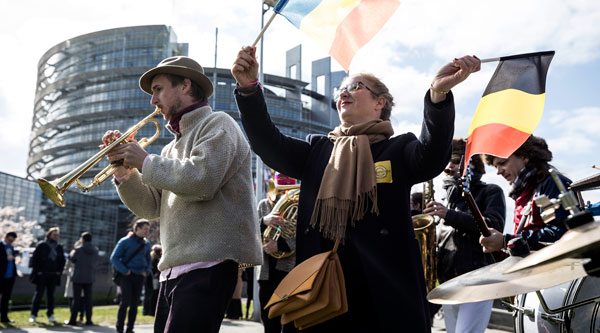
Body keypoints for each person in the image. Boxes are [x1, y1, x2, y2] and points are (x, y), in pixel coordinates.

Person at [232, 45, 480, 332]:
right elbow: (268, 144)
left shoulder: (398, 149)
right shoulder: (318, 149)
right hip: (321, 295)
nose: (343, 94)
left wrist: (437, 96)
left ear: (380, 103)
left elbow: (433, 155)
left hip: (384, 295)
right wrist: (249, 90)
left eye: (355, 86)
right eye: (341, 89)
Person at [102, 56, 262, 333]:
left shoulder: (218, 123)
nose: (153, 100)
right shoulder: (168, 150)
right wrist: (124, 173)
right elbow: (150, 208)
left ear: (185, 85)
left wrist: (144, 162)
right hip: (173, 270)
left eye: (158, 89)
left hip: (209, 263)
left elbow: (202, 180)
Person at [422, 138, 506, 333]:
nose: (448, 166)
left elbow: (494, 226)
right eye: (447, 161)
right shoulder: (446, 199)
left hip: (477, 280)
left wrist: (449, 215)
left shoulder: (490, 191)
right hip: (448, 282)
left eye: (454, 160)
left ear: (469, 163)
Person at [480, 135, 570, 252]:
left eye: (502, 163)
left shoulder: (552, 183)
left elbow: (564, 233)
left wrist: (506, 241)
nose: (498, 171)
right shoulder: (524, 192)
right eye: (496, 166)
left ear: (524, 156)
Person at [258, 174, 298, 333]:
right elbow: (247, 231)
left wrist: (280, 245)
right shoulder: (263, 205)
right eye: (280, 190)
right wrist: (263, 221)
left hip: (288, 270)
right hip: (266, 271)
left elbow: (303, 236)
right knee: (268, 319)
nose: (283, 195)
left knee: (287, 321)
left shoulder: (299, 205)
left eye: (287, 190)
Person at [111, 219, 152, 333]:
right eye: (145, 229)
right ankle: (119, 328)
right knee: (125, 303)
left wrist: (147, 271)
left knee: (135, 304)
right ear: (137, 228)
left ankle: (130, 329)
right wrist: (125, 271)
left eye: (148, 229)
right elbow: (114, 258)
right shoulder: (125, 241)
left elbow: (148, 259)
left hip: (140, 277)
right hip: (127, 276)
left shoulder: (147, 243)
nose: (147, 231)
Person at [29, 226, 65, 324]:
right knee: (38, 295)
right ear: (49, 235)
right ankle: (33, 314)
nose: (56, 236)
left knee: (51, 296)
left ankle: (50, 314)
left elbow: (62, 261)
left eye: (57, 235)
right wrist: (38, 271)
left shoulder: (59, 247)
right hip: (42, 274)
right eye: (54, 235)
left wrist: (59, 271)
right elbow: (35, 259)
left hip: (53, 275)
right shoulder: (42, 245)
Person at [65, 232, 98, 326]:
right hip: (90, 277)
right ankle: (89, 320)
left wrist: (72, 254)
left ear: (82, 239)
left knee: (76, 299)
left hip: (78, 277)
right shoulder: (95, 250)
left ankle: (73, 320)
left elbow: (72, 259)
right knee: (88, 300)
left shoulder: (78, 250)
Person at [63, 240, 85, 323]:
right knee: (71, 298)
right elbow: (66, 268)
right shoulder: (71, 255)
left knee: (81, 299)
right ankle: (73, 316)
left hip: (82, 279)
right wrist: (70, 273)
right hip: (72, 279)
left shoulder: (85, 256)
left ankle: (81, 316)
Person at [1, 232, 17, 323]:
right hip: (1, 276)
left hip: (10, 276)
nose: (10, 242)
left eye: (12, 241)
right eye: (9, 240)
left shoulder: (11, 247)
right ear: (5, 237)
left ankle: (4, 318)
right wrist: (6, 258)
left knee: (6, 298)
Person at [143, 244, 161, 317]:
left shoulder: (150, 258)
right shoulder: (154, 259)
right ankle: (150, 311)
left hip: (149, 279)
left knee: (148, 295)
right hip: (152, 280)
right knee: (152, 295)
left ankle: (146, 311)